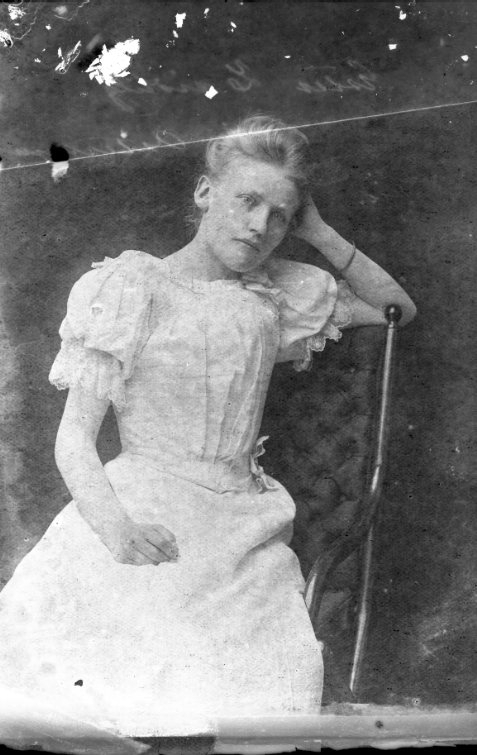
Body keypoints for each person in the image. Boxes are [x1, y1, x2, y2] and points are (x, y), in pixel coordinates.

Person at [0, 116, 416, 740]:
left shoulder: (272, 297)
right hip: (141, 506)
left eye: (280, 216)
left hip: (244, 524)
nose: (260, 226)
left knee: (238, 683)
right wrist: (117, 530)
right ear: (204, 192)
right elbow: (75, 440)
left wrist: (319, 231)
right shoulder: (131, 286)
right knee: (109, 666)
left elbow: (396, 309)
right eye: (247, 201)